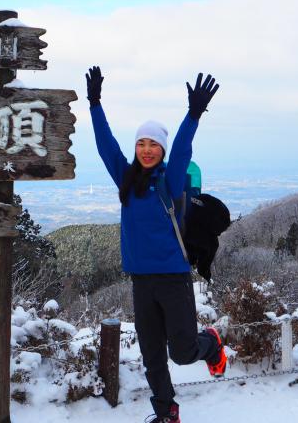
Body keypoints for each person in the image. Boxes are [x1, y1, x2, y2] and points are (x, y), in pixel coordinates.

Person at [86, 66, 226, 423]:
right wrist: (95, 103)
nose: (147, 150)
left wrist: (193, 114)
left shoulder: (171, 179)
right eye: (142, 143)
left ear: (161, 150)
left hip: (173, 278)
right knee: (151, 356)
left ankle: (211, 343)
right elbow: (106, 146)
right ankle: (166, 412)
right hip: (141, 280)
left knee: (182, 352)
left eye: (153, 145)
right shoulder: (126, 178)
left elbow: (182, 149)